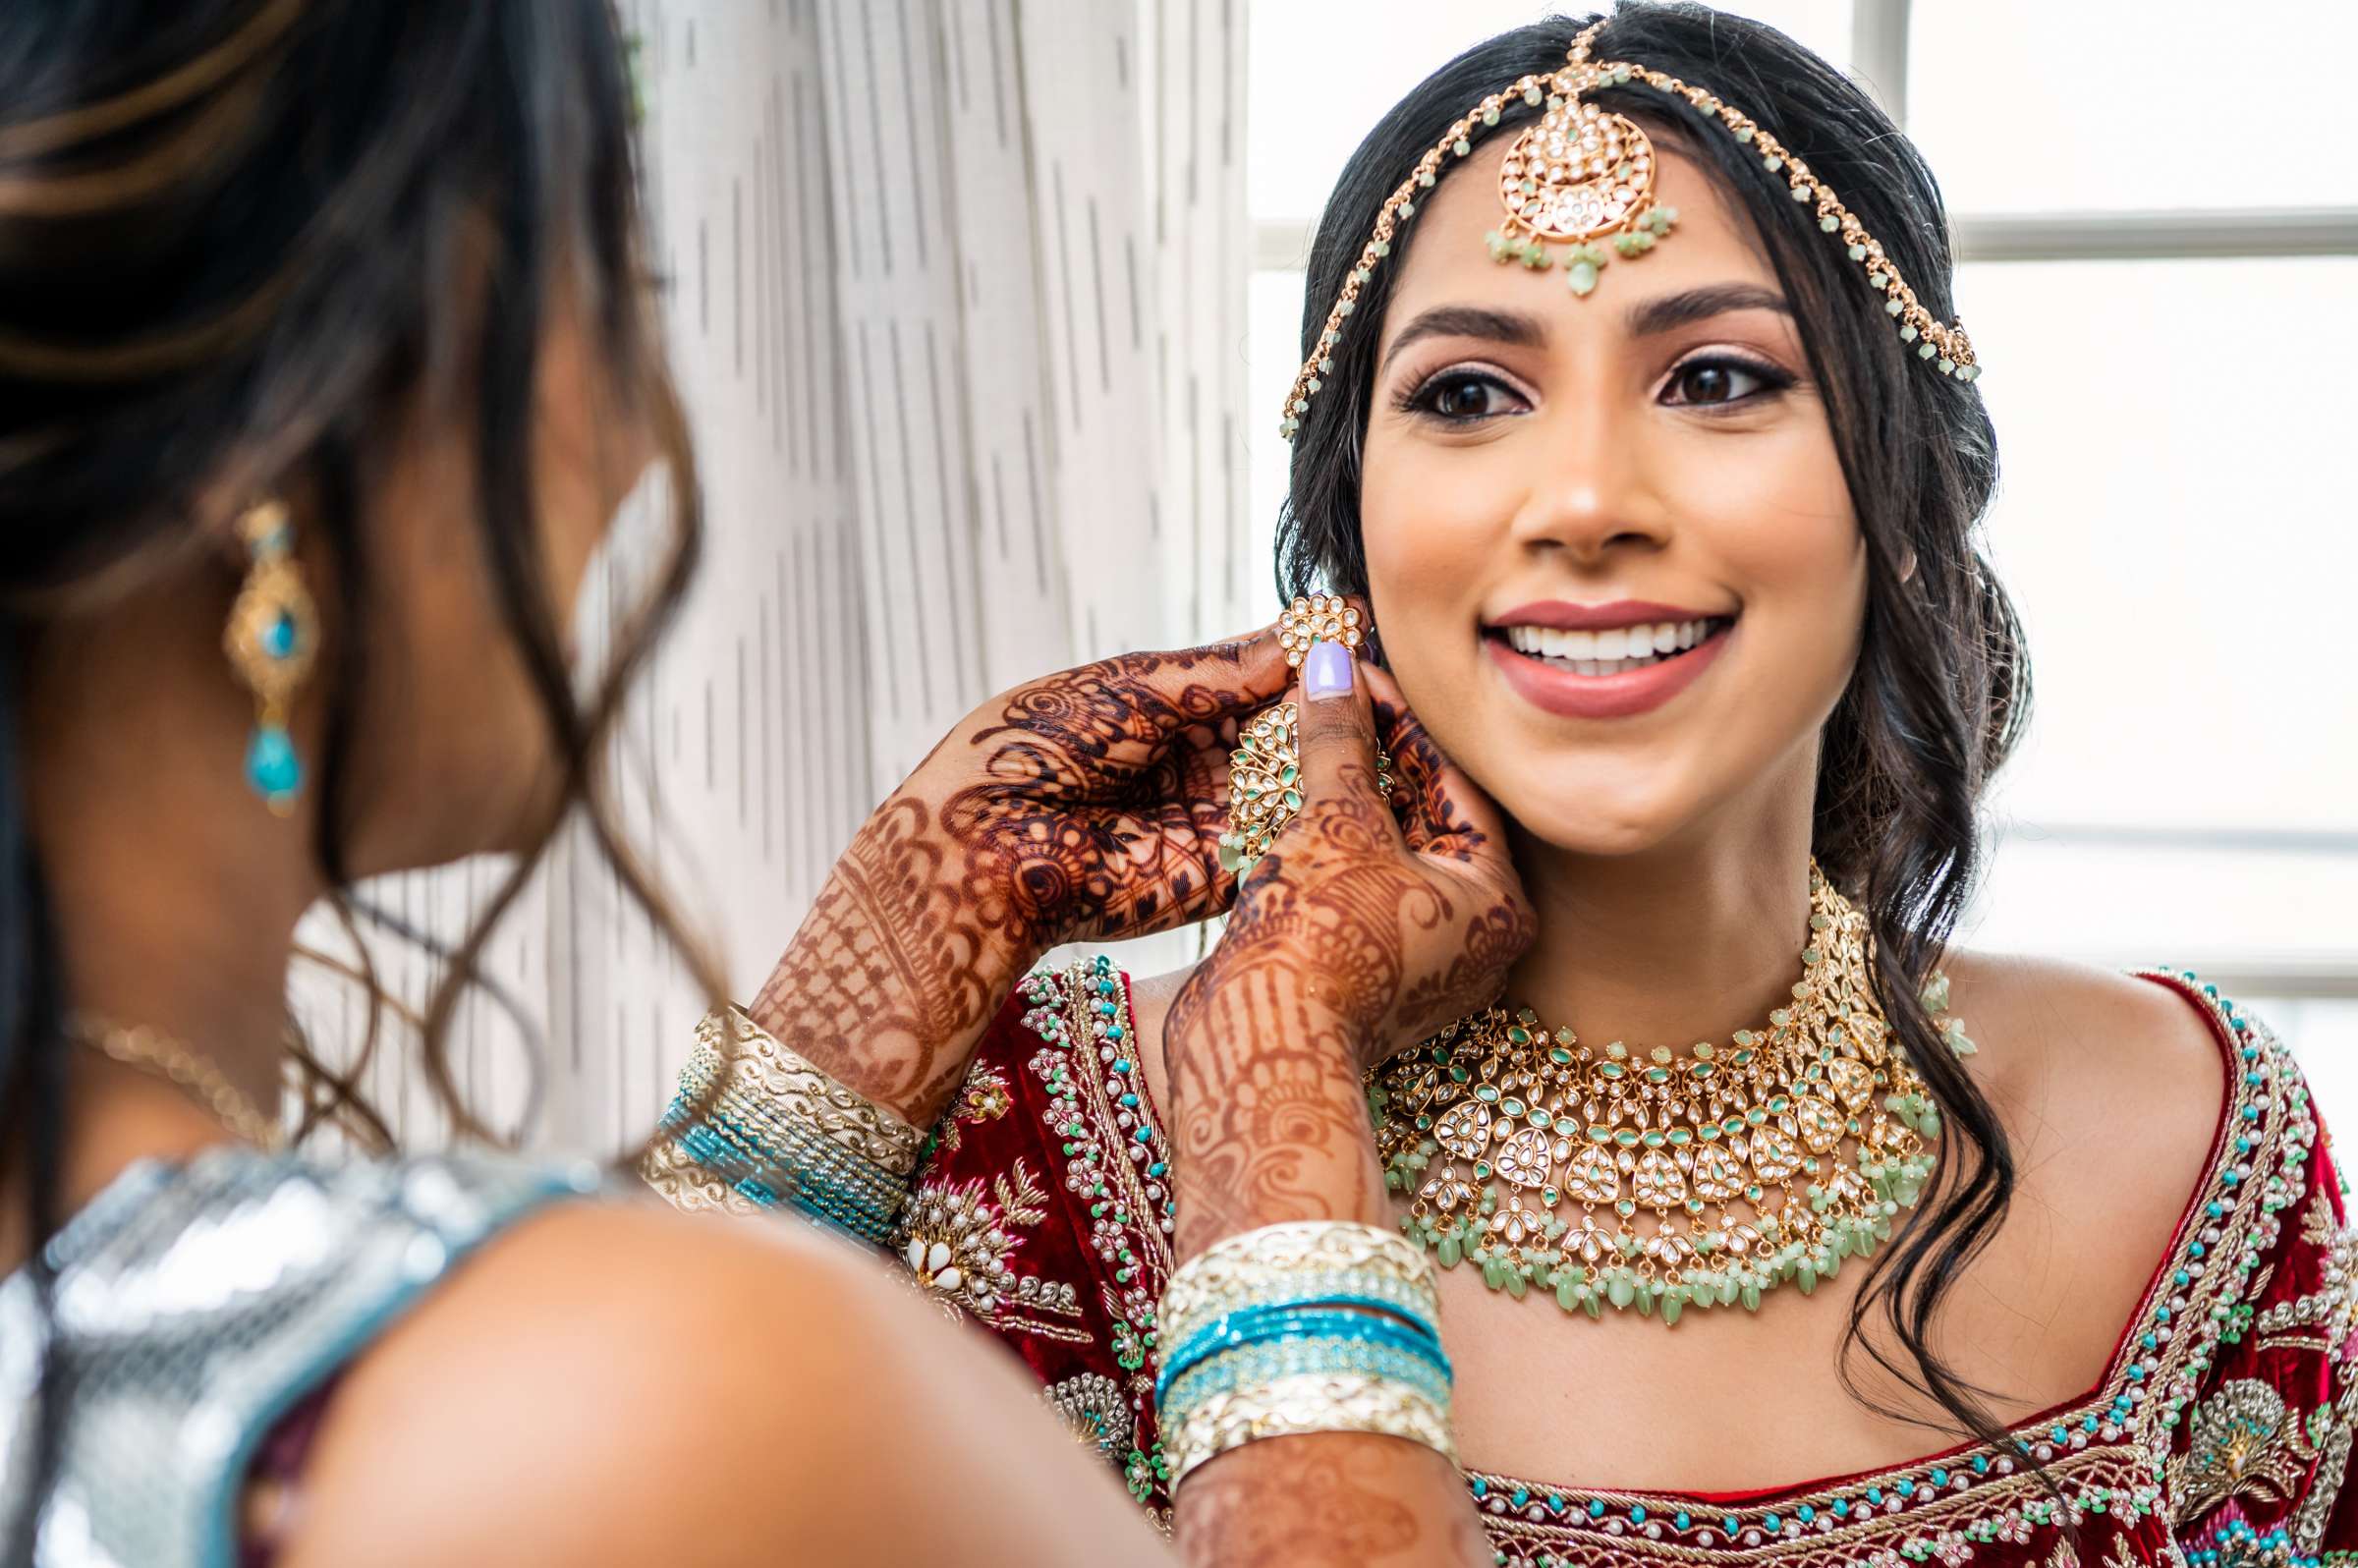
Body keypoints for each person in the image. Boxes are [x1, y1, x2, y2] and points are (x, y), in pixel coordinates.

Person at [647, 7, 2358, 1564]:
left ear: (1909, 499)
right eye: (1469, 394)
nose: (1585, 496)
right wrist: (906, 925)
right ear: (1356, 531)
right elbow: (586, 1468)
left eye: (1716, 379)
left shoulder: (2193, 1143)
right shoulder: (1066, 1130)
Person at [1, 5, 1511, 1564]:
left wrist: (909, 939)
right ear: (285, 424)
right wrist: (1277, 1066)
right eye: (610, 281)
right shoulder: (687, 1386)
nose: (647, 443)